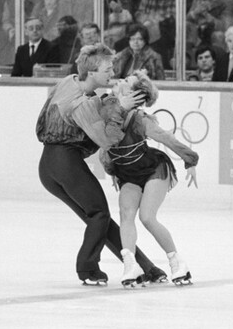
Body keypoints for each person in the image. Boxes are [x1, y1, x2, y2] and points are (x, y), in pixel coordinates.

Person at [35, 43, 168, 285]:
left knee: (99, 219)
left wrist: (111, 103)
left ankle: (145, 267)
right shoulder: (82, 103)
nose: (112, 72)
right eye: (107, 68)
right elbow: (106, 139)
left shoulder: (69, 81)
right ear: (92, 71)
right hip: (65, 162)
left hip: (48, 166)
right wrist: (121, 107)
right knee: (99, 214)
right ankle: (87, 269)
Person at [98, 72, 198, 287]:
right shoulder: (106, 108)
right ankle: (130, 265)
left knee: (147, 217)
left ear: (133, 94)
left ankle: (177, 263)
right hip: (127, 173)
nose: (120, 81)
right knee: (126, 215)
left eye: (127, 82)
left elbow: (165, 137)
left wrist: (190, 160)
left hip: (152, 168)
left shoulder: (139, 119)